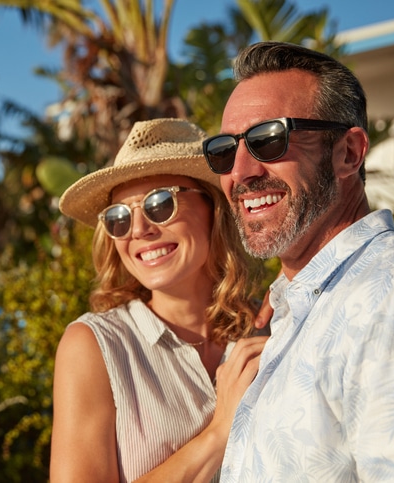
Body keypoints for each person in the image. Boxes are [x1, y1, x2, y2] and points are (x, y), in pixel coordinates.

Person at [201, 41, 394, 481]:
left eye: (268, 139)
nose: (240, 172)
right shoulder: (303, 308)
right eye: (224, 150)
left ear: (349, 153)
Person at [49, 118, 271, 482]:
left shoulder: (270, 327)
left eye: (160, 202)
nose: (138, 230)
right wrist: (219, 432)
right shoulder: (96, 346)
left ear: (213, 207)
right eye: (119, 217)